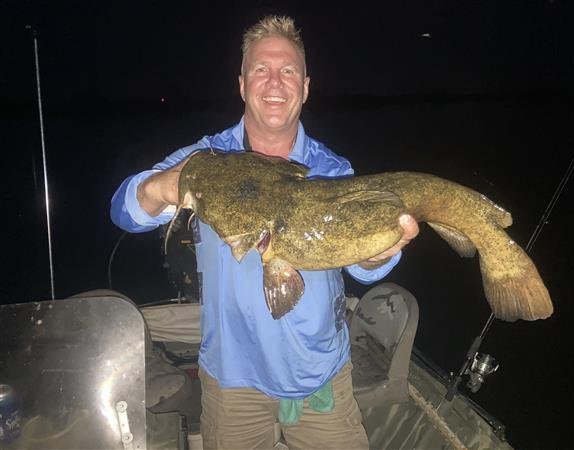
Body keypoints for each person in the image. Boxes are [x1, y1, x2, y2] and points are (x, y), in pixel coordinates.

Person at [111, 15, 419, 450]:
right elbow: (124, 210)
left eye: (288, 70)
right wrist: (162, 186)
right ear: (241, 84)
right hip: (232, 379)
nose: (274, 82)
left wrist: (376, 256)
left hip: (319, 377)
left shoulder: (332, 170)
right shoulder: (205, 159)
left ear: (306, 87)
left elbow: (368, 272)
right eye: (261, 70)